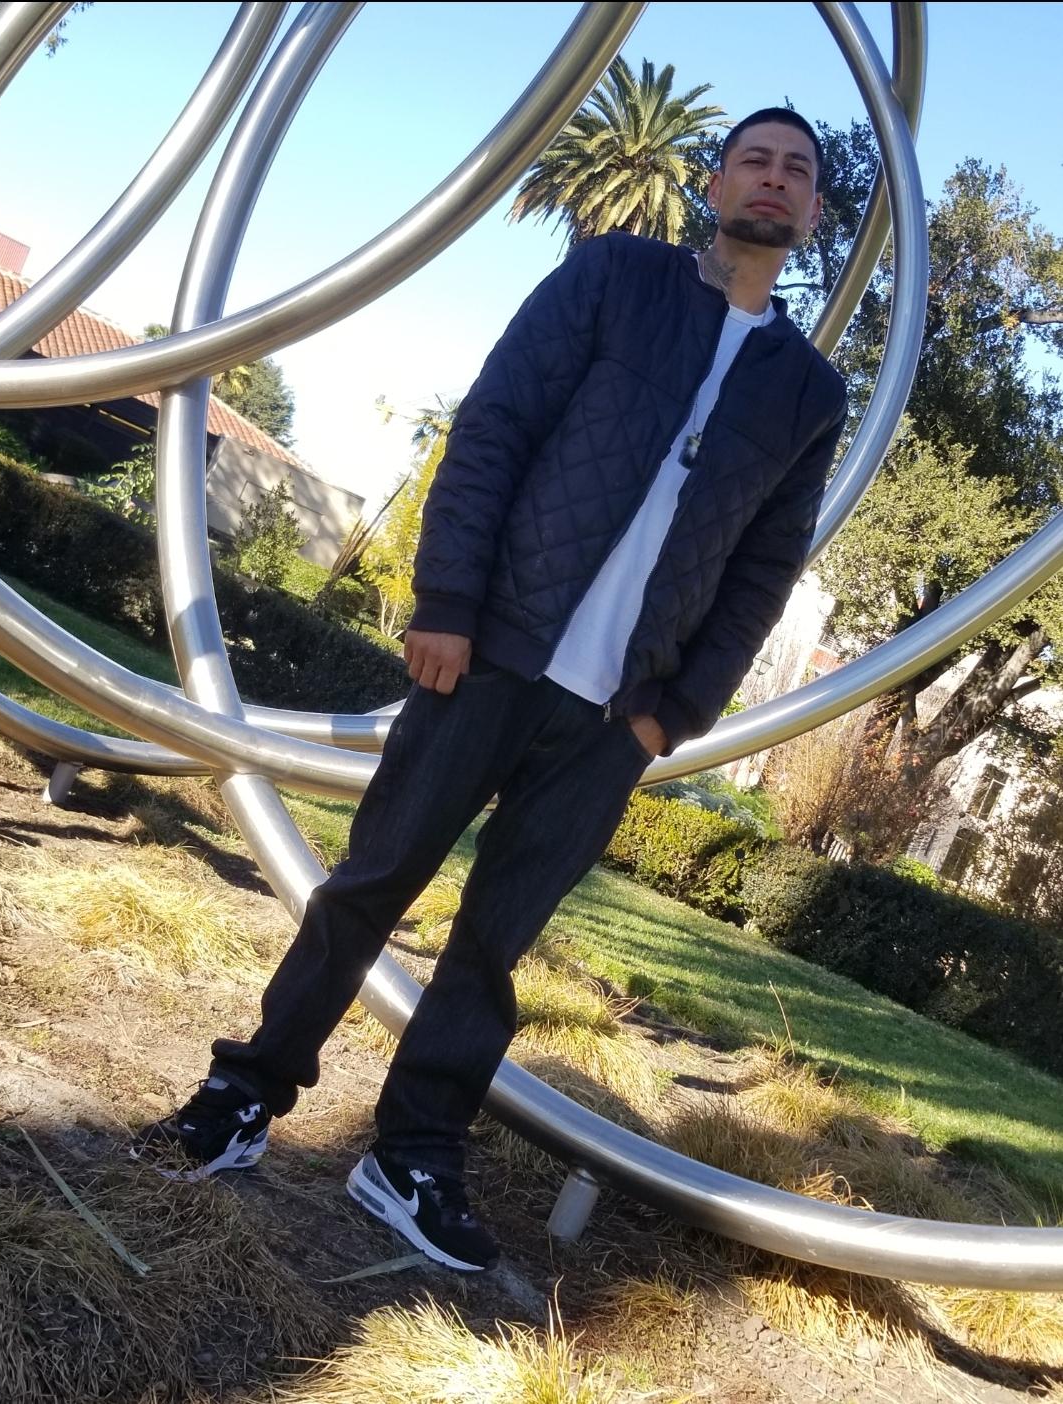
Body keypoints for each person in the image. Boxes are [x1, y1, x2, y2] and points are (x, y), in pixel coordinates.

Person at [134, 107, 847, 1273]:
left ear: (812, 211)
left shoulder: (807, 392)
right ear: (716, 182)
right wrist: (449, 601)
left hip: (614, 716)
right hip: (491, 653)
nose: (773, 180)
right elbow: (497, 425)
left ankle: (411, 1156)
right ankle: (246, 1092)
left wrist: (676, 713)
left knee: (491, 944)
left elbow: (765, 569)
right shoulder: (615, 278)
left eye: (796, 172)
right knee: (370, 884)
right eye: (754, 160)